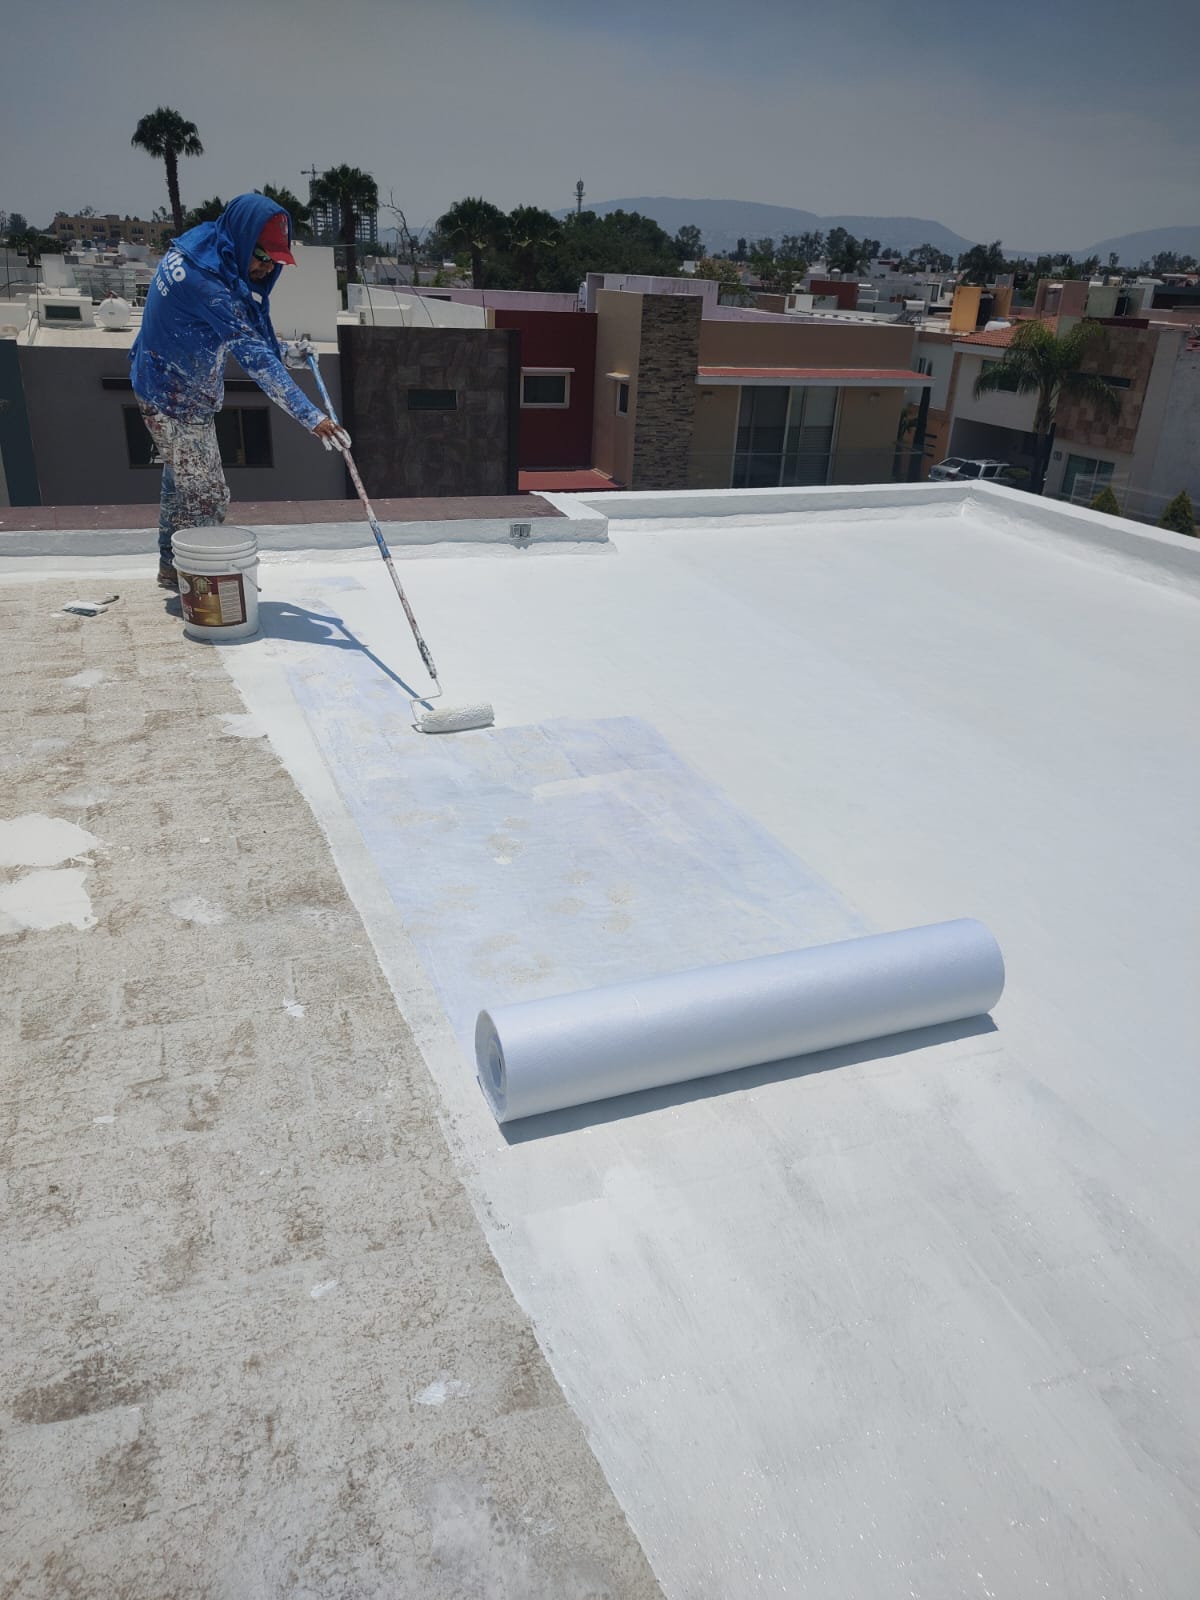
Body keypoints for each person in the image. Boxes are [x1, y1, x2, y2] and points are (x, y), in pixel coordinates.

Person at [129, 192, 347, 590]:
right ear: (244, 241)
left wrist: (287, 352)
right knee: (207, 496)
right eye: (262, 257)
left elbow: (235, 334)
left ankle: (169, 567)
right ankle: (201, 587)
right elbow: (255, 359)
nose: (266, 268)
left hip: (159, 382)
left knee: (181, 481)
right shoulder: (208, 284)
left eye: (275, 261)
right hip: (175, 401)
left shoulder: (206, 245)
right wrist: (313, 418)